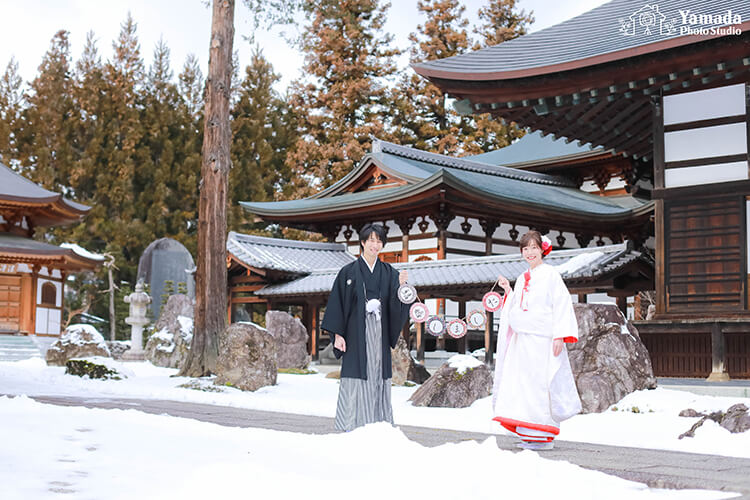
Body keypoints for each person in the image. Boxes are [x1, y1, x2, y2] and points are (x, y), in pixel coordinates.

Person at [492, 230, 582, 450]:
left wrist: (560, 334)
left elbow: (561, 304)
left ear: (542, 249)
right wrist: (508, 291)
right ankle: (529, 432)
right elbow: (518, 304)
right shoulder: (522, 278)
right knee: (523, 385)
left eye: (533, 247)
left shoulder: (551, 274)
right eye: (525, 249)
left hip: (543, 338)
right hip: (523, 340)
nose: (529, 252)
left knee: (541, 384)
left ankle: (542, 434)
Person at [322, 223, 410, 431]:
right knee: (355, 375)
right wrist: (337, 335)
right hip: (354, 333)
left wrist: (403, 286)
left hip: (379, 332)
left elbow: (400, 301)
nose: (375, 244)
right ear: (362, 243)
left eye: (379, 241)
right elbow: (337, 304)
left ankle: (379, 424)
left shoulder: (389, 272)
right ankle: (350, 423)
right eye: (371, 240)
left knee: (378, 371)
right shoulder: (348, 272)